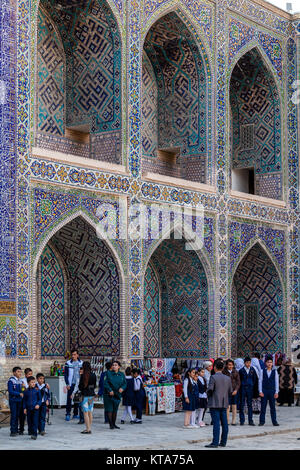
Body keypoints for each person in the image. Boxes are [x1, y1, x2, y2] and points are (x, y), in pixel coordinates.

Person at [205, 359, 232, 448]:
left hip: (214, 402)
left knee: (216, 423)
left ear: (215, 367)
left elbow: (210, 389)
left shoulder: (213, 377)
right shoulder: (227, 378)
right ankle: (223, 441)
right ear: (223, 367)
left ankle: (215, 442)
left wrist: (208, 395)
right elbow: (230, 391)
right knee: (224, 423)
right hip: (224, 403)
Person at [103, 360, 127, 429]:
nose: (114, 366)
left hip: (117, 394)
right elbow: (106, 383)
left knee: (115, 409)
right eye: (113, 365)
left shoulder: (121, 374)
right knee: (110, 409)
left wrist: (122, 388)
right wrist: (110, 390)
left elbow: (125, 383)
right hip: (109, 394)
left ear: (119, 367)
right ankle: (111, 425)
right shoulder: (108, 373)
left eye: (116, 365)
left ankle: (114, 423)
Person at [259, 357, 279, 426]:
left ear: (272, 363)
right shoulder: (262, 371)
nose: (269, 363)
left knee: (272, 407)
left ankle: (274, 421)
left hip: (272, 391)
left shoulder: (275, 371)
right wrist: (260, 391)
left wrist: (276, 392)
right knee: (263, 407)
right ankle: (261, 421)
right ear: (265, 363)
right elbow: (260, 381)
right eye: (268, 362)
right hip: (264, 390)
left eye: (270, 362)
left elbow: (276, 382)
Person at [64, 349, 83, 421]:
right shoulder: (68, 363)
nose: (73, 356)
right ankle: (68, 413)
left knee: (77, 399)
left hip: (78, 384)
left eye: (75, 354)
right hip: (71, 384)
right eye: (72, 355)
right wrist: (67, 384)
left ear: (78, 355)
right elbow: (65, 374)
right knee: (69, 399)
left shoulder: (81, 363)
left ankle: (75, 414)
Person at [239, 356, 259, 426]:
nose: (248, 364)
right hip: (243, 389)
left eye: (249, 363)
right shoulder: (241, 371)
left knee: (250, 405)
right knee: (242, 404)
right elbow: (240, 380)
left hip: (250, 389)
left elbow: (255, 379)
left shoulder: (252, 370)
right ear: (244, 363)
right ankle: (242, 420)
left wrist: (252, 386)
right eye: (247, 363)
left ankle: (250, 420)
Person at [78, 361, 96, 434]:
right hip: (91, 395)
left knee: (85, 413)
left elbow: (80, 387)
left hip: (85, 395)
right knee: (90, 412)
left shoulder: (83, 376)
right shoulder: (93, 375)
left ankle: (87, 429)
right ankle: (89, 427)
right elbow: (94, 386)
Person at [7, 366, 25, 437]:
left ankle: (17, 429)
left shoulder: (21, 381)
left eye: (20, 372)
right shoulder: (11, 381)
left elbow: (22, 391)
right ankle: (13, 431)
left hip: (19, 401)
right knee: (14, 415)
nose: (20, 373)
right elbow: (11, 391)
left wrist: (23, 387)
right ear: (14, 373)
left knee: (18, 415)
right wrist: (19, 394)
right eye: (18, 372)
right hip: (13, 401)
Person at [222, 359, 240, 426]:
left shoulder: (235, 372)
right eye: (229, 365)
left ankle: (234, 421)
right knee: (227, 406)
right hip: (226, 391)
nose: (230, 366)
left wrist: (236, 390)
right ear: (226, 365)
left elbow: (238, 382)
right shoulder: (224, 372)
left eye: (231, 365)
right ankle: (227, 420)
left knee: (234, 406)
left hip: (234, 391)